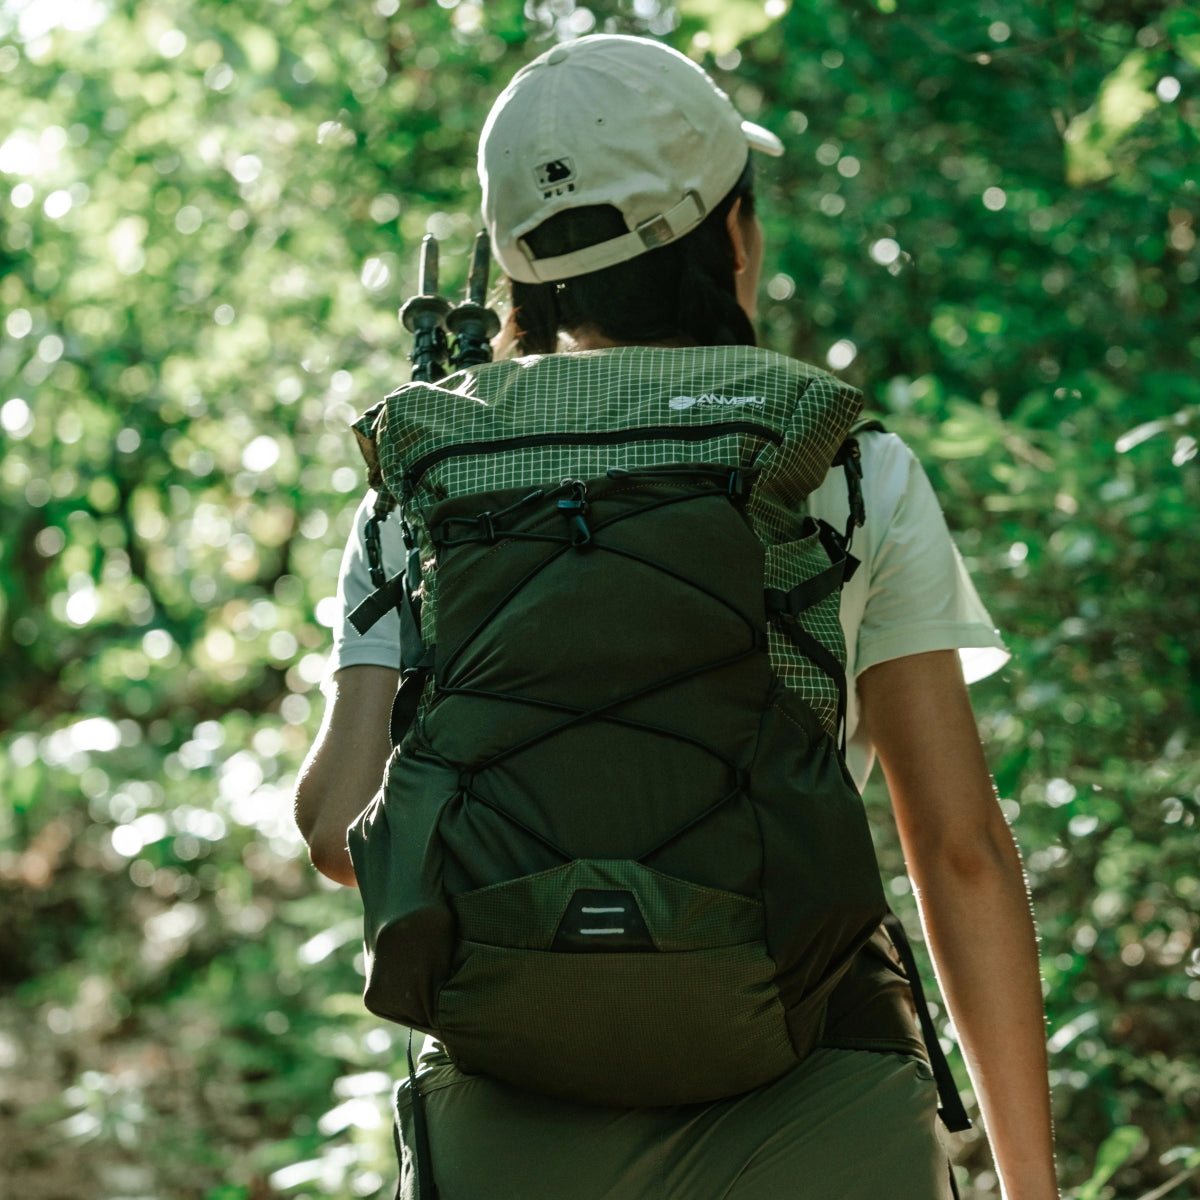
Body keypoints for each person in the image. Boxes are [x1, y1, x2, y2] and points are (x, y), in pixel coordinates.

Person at [295, 33, 1058, 1200]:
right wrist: (1030, 1186)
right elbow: (956, 849)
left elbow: (336, 831)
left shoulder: (431, 472)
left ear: (517, 268)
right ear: (733, 235)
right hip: (822, 1102)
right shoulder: (839, 461)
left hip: (510, 1121)